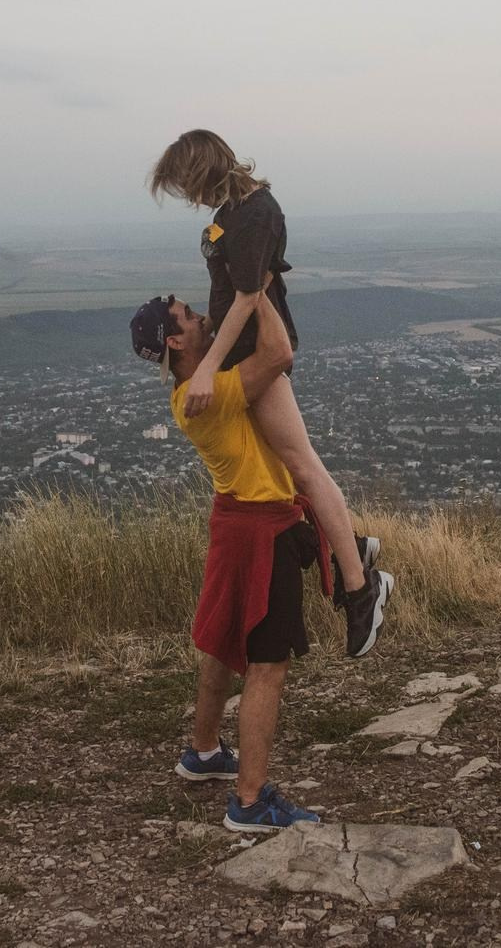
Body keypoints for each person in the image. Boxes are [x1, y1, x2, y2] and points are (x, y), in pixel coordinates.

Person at [130, 289, 394, 832]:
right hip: (257, 533)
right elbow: (276, 355)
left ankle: (203, 754)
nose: (200, 314)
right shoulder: (208, 395)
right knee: (268, 666)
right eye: (187, 315)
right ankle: (250, 803)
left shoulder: (191, 392)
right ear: (175, 341)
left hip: (237, 521)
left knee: (223, 644)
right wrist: (259, 285)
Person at [147, 129, 392, 656]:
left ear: (201, 168)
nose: (186, 196)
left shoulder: (255, 211)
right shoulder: (233, 214)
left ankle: (361, 587)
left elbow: (249, 296)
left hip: (253, 354)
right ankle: (354, 547)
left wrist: (209, 365)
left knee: (302, 467)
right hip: (240, 353)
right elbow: (229, 295)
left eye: (184, 182)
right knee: (289, 466)